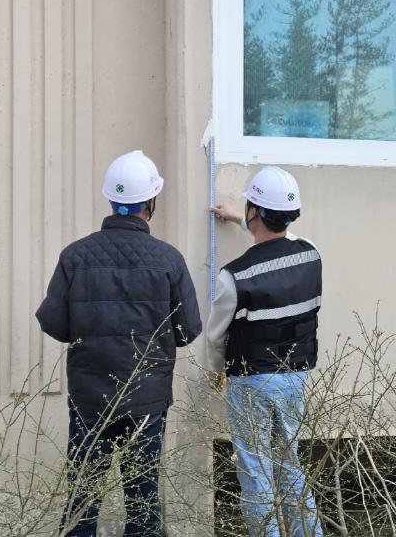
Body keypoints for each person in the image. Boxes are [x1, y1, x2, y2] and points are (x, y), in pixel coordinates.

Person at [36, 150, 202, 537]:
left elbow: (54, 323)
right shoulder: (168, 259)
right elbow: (188, 330)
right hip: (147, 397)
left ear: (111, 199)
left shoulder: (75, 256)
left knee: (83, 498)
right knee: (142, 500)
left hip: (90, 397)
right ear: (151, 201)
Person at [206, 166, 324, 537]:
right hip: (295, 376)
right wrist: (242, 219)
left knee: (255, 467)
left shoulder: (233, 276)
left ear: (256, 212)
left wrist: (214, 371)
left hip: (251, 380)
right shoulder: (311, 254)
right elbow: (279, 239)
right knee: (289, 462)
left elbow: (214, 337)